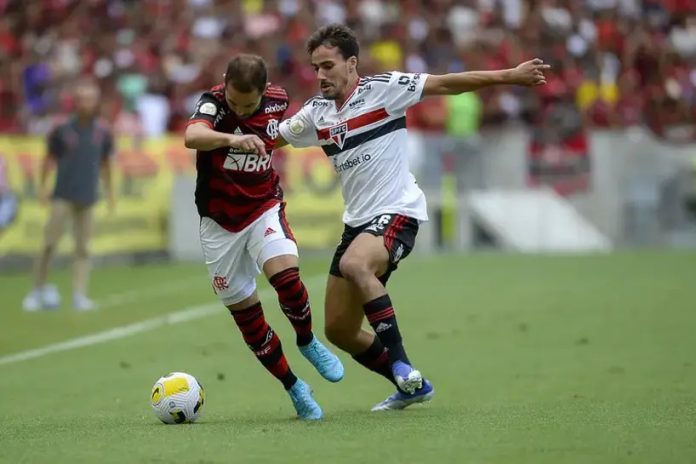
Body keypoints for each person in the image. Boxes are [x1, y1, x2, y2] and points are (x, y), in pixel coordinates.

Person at [277, 24, 549, 411]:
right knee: (338, 329)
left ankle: (402, 363)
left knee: (356, 264)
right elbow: (273, 137)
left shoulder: (385, 89)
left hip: (398, 211)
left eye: (327, 66)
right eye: (315, 68)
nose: (320, 75)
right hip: (357, 223)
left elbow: (447, 84)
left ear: (351, 64)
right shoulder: (315, 114)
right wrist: (224, 134)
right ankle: (411, 386)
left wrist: (509, 76)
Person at [184, 54, 344, 421]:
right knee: (249, 317)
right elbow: (192, 135)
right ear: (225, 83)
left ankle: (307, 341)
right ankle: (294, 387)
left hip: (263, 208)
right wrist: (232, 140)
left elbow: (286, 130)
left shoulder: (279, 99)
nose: (240, 110)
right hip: (220, 224)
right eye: (234, 101)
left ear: (264, 92)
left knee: (287, 278)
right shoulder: (212, 103)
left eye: (248, 104)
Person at [23, 81, 115, 312]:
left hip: (88, 195)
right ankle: (37, 290)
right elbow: (48, 158)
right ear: (75, 102)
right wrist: (43, 186)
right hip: (62, 195)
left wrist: (110, 191)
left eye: (91, 99)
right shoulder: (62, 129)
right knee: (49, 244)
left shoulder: (103, 132)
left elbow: (106, 164)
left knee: (83, 248)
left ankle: (79, 295)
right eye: (83, 98)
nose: (87, 103)